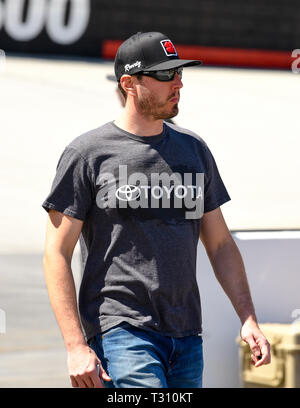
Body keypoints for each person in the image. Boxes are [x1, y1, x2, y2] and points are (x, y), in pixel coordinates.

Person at [42, 31, 271, 389]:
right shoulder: (87, 154)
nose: (178, 83)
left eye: (179, 73)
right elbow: (56, 252)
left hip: (186, 338)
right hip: (120, 333)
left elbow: (221, 244)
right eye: (165, 75)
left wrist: (248, 318)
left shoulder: (194, 150)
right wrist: (75, 346)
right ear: (129, 83)